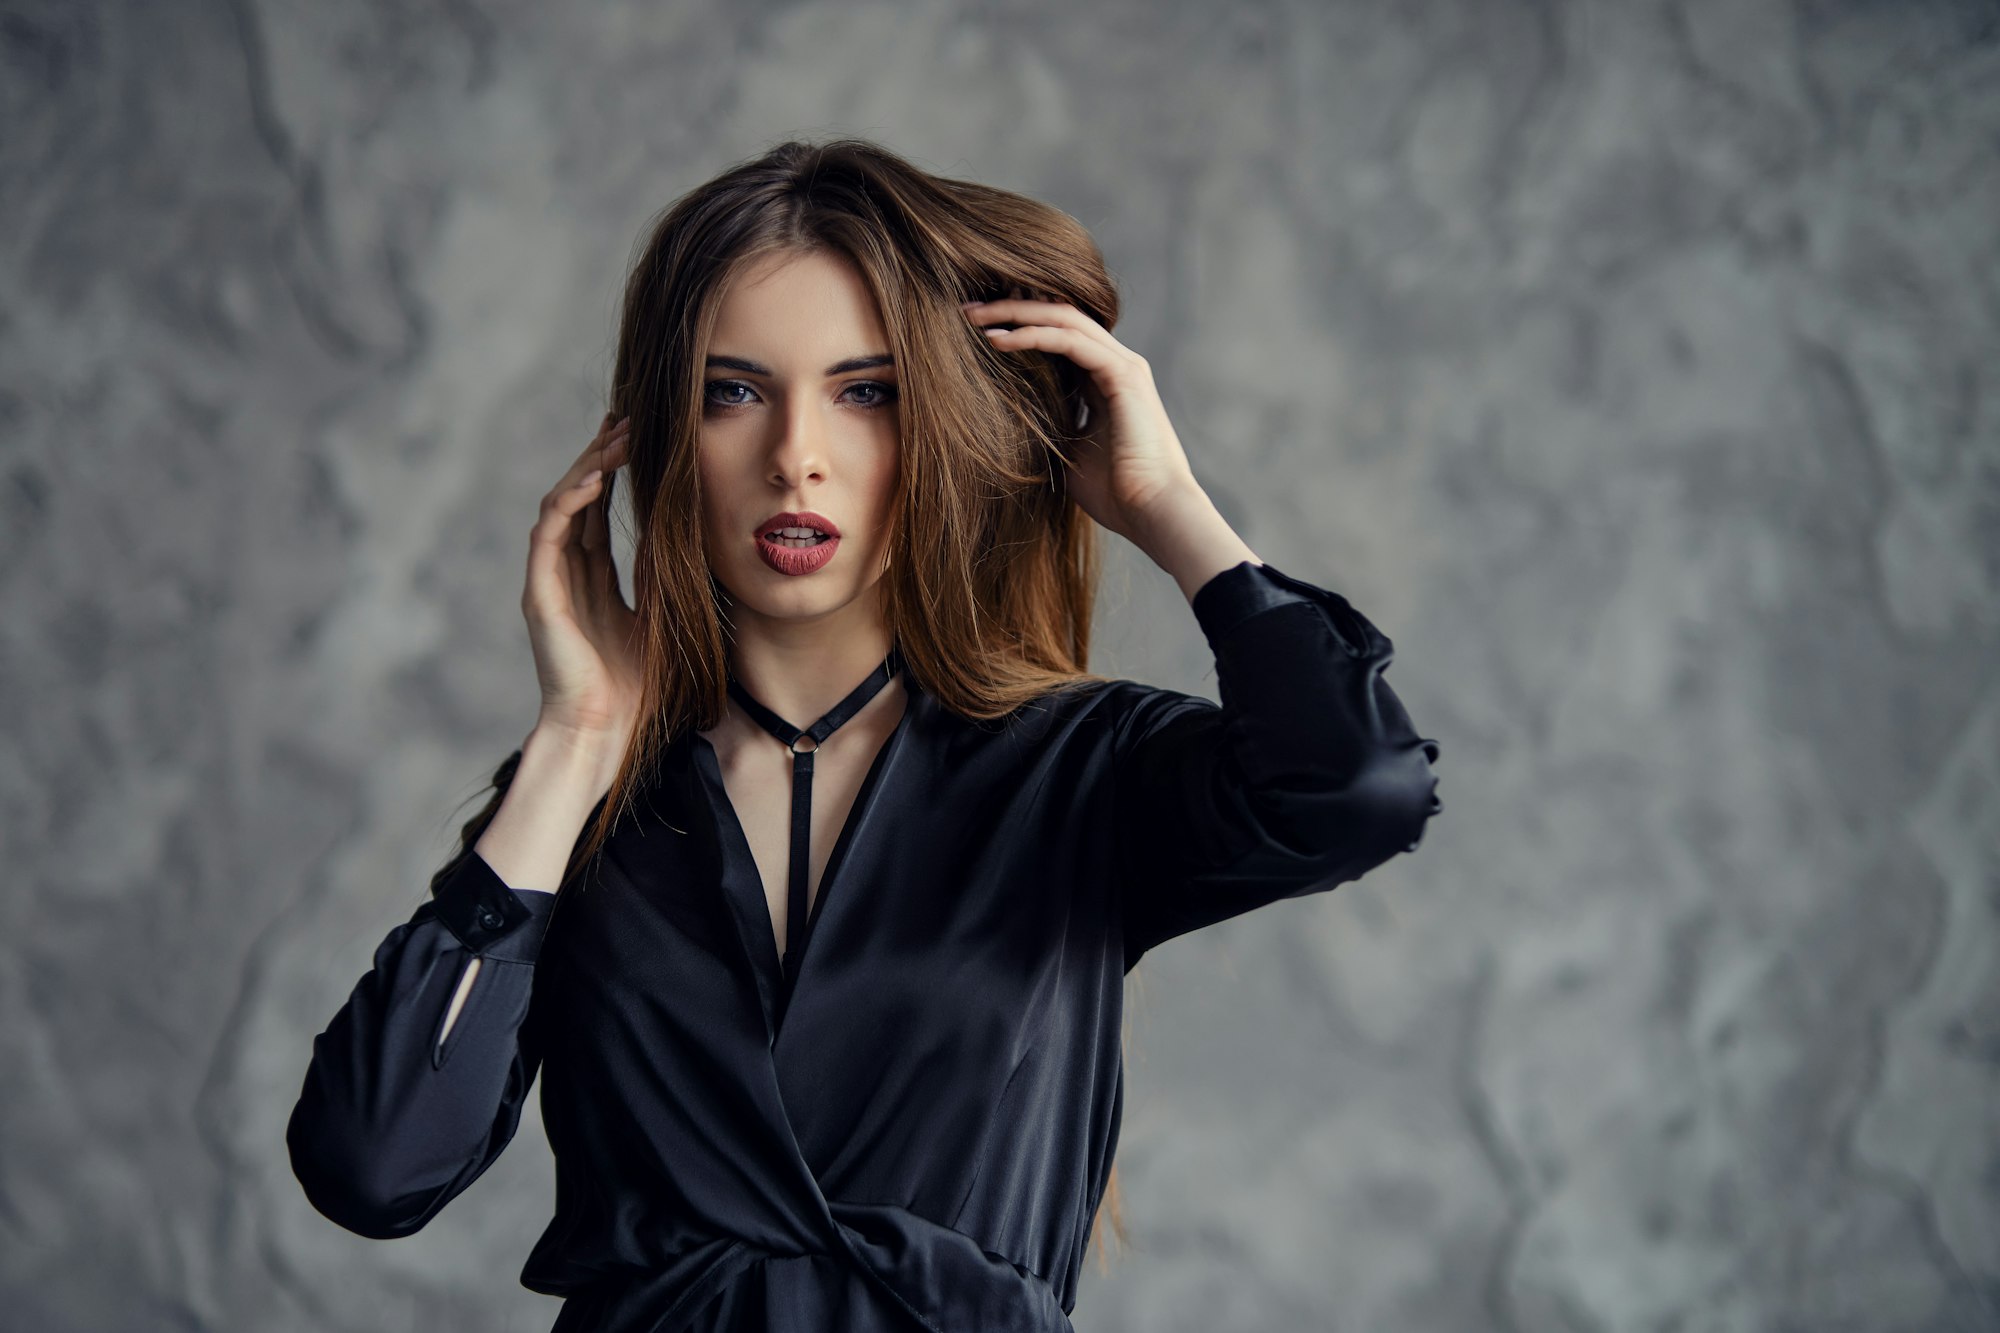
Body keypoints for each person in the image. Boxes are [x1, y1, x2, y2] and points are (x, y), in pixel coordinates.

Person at [286, 138, 1443, 1332]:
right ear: (661, 436)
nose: (797, 454)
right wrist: (576, 737)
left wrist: (1166, 509)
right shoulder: (586, 805)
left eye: (867, 391)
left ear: (940, 425)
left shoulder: (1073, 771)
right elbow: (374, 1168)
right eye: (732, 391)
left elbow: (1356, 790)